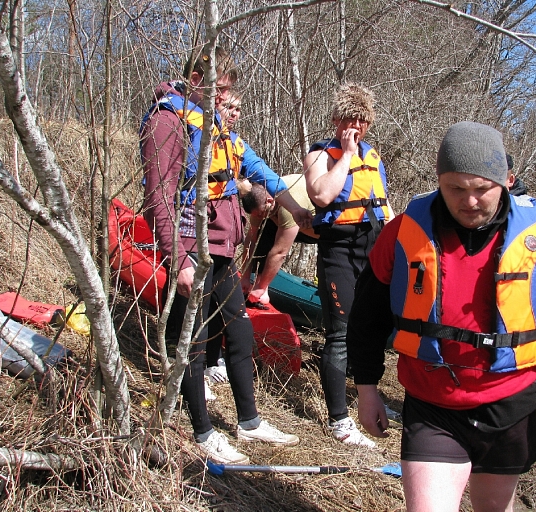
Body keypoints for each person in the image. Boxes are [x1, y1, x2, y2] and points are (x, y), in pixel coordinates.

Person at [346, 121, 536, 511]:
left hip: (509, 406)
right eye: (456, 189)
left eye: (482, 189)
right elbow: (366, 319)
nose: (469, 201)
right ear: (438, 181)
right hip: (432, 405)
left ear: (507, 180)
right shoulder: (402, 233)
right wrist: (367, 391)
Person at [139, 46, 309, 465]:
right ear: (196, 80)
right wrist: (178, 259)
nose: (224, 99)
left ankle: (249, 421)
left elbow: (260, 171)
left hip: (221, 252)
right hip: (190, 247)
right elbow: (158, 197)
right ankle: (202, 432)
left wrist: (301, 214)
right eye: (219, 89)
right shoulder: (168, 121)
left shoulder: (218, 129)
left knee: (239, 332)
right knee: (192, 342)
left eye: (228, 90)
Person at [304, 83, 394, 448]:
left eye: (362, 120)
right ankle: (339, 421)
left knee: (370, 329)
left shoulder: (374, 158)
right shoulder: (319, 154)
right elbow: (323, 194)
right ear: (336, 120)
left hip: (372, 249)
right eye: (348, 119)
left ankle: (366, 398)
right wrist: (346, 154)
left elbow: (383, 207)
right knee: (339, 334)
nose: (356, 126)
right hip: (338, 249)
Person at [240, 174, 318, 307]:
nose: (259, 217)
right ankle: (255, 283)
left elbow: (280, 252)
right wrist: (244, 277)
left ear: (269, 201)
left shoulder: (288, 206)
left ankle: (262, 289)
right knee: (263, 230)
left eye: (260, 213)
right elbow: (251, 240)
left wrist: (262, 286)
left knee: (271, 231)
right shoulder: (260, 201)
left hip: (319, 230)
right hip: (297, 223)